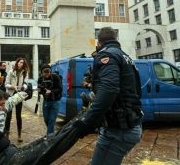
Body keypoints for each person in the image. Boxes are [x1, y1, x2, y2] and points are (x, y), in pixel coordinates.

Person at [72, 27, 142, 165]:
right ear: (115, 40)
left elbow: (109, 90)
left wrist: (88, 121)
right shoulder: (125, 57)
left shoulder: (107, 55)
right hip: (114, 127)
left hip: (121, 129)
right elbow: (135, 91)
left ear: (99, 42)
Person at [4, 57, 30, 142]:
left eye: (22, 62)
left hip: (19, 94)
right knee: (8, 115)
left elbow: (26, 83)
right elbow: (6, 84)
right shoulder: (11, 72)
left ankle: (19, 135)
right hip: (10, 94)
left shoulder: (25, 73)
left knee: (18, 115)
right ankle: (6, 135)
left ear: (24, 64)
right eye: (19, 62)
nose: (20, 64)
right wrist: (13, 86)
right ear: (17, 63)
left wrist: (23, 87)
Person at [38, 64, 62, 136]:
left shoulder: (55, 77)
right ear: (42, 73)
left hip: (55, 101)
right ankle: (51, 133)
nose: (47, 74)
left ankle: (49, 137)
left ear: (50, 71)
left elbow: (60, 89)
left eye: (48, 72)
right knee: (46, 119)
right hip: (46, 101)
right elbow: (40, 89)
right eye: (45, 72)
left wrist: (51, 91)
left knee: (52, 120)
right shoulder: (40, 79)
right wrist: (41, 91)